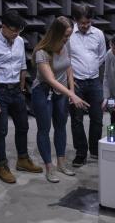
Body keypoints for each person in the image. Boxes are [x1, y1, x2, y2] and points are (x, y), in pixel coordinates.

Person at [0, 10, 43, 184]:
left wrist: (22, 89)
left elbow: (22, 66)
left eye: (19, 31)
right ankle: (2, 166)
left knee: (23, 126)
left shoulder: (19, 42)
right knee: (1, 131)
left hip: (16, 90)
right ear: (3, 27)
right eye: (13, 31)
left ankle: (22, 159)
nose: (16, 34)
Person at [31, 16, 89, 182]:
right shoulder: (42, 52)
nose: (67, 39)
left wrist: (71, 89)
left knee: (61, 127)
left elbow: (68, 66)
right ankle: (49, 167)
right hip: (43, 92)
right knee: (44, 128)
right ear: (55, 33)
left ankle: (61, 164)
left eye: (69, 36)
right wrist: (72, 95)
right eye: (64, 36)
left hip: (62, 92)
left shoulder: (66, 44)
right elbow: (50, 79)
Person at [67, 4, 106, 167]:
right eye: (82, 23)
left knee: (97, 118)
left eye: (88, 22)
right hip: (76, 83)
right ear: (75, 20)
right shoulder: (68, 35)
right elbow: (65, 59)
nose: (85, 26)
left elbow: (102, 56)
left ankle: (95, 149)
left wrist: (91, 69)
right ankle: (81, 153)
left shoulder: (98, 34)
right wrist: (70, 83)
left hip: (94, 81)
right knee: (77, 120)